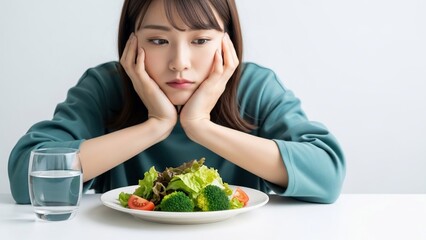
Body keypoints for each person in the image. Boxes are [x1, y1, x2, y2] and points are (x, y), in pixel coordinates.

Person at [8, 0, 345, 204]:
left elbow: (327, 175)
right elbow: (28, 177)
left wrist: (199, 127)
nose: (179, 62)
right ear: (131, 41)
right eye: (158, 40)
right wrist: (156, 125)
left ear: (227, 44)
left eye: (200, 40)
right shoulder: (106, 86)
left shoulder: (253, 85)